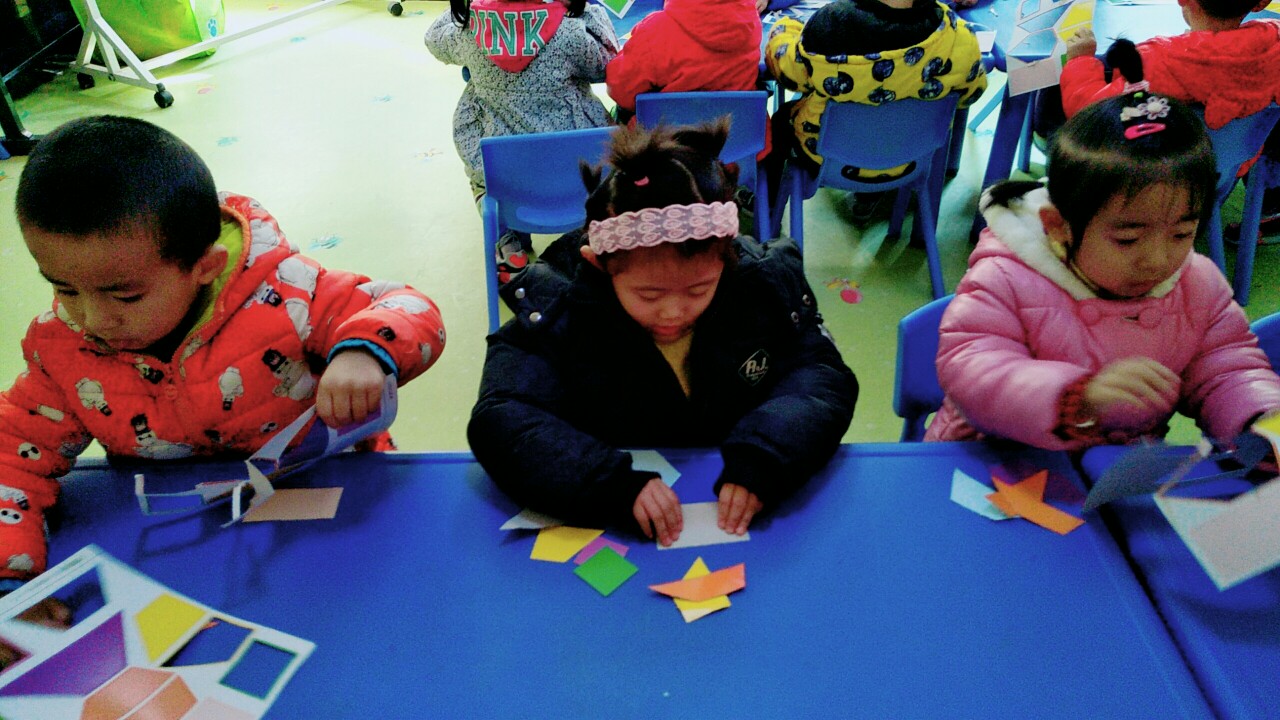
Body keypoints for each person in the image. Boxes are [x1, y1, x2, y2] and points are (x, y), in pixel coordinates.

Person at [0, 116, 447, 593]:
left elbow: (407, 306)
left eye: (125, 296)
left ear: (206, 267)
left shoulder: (288, 296)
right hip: (180, 544)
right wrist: (9, 579)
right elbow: (11, 455)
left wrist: (364, 352)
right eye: (65, 289)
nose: (93, 319)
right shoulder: (61, 348)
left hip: (336, 504)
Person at [468, 121, 857, 545]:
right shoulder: (557, 308)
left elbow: (820, 376)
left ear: (725, 260)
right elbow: (502, 416)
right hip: (619, 508)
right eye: (648, 294)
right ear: (599, 264)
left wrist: (767, 454)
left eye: (698, 290)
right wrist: (606, 482)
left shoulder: (763, 288)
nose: (673, 311)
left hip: (733, 499)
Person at [926, 88, 1280, 449]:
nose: (1157, 260)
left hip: (1115, 469)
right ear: (1058, 226)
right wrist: (1076, 400)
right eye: (1128, 239)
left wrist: (1262, 421)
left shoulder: (1198, 284)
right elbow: (972, 370)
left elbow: (1228, 370)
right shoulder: (1005, 277)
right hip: (992, 459)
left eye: (1181, 234)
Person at [425, 0, 619, 282]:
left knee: (481, 173)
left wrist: (474, 10)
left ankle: (507, 239)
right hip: (577, 179)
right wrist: (589, 9)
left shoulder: (469, 32)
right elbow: (609, 61)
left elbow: (433, 38)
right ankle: (591, 235)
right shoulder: (570, 33)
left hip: (508, 180)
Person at [1060, 0, 1280, 235]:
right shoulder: (1274, 42)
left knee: (1052, 104)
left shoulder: (1155, 60)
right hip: (1221, 177)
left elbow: (1088, 113)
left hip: (1143, 183)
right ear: (1262, 3)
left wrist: (1080, 60)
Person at [763, 0, 986, 221]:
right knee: (888, 118)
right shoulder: (959, 36)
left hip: (825, 156)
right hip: (909, 159)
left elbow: (789, 75)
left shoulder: (831, 24)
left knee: (782, 119)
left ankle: (766, 203)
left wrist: (784, 29)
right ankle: (870, 195)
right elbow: (971, 94)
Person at [605, 0, 762, 125]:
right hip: (743, 145)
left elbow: (620, 90)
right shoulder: (752, 21)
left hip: (664, 148)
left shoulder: (657, 31)